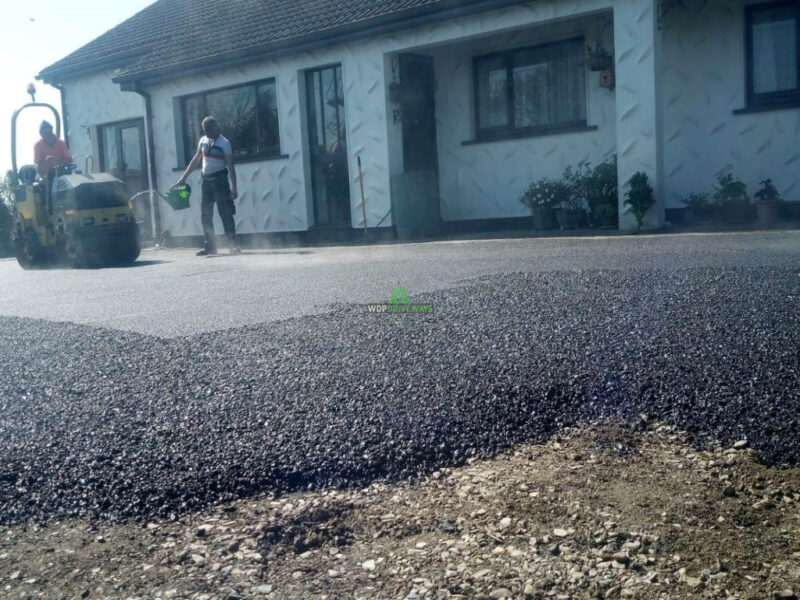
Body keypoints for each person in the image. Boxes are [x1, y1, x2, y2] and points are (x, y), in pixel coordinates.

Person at [176, 116, 240, 255]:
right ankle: (210, 246)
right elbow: (196, 160)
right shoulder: (203, 141)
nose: (206, 133)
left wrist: (234, 187)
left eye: (208, 130)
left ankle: (233, 245)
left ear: (216, 127)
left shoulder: (224, 143)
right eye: (204, 130)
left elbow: (230, 165)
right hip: (206, 181)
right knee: (206, 214)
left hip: (220, 180)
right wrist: (184, 177)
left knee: (226, 213)